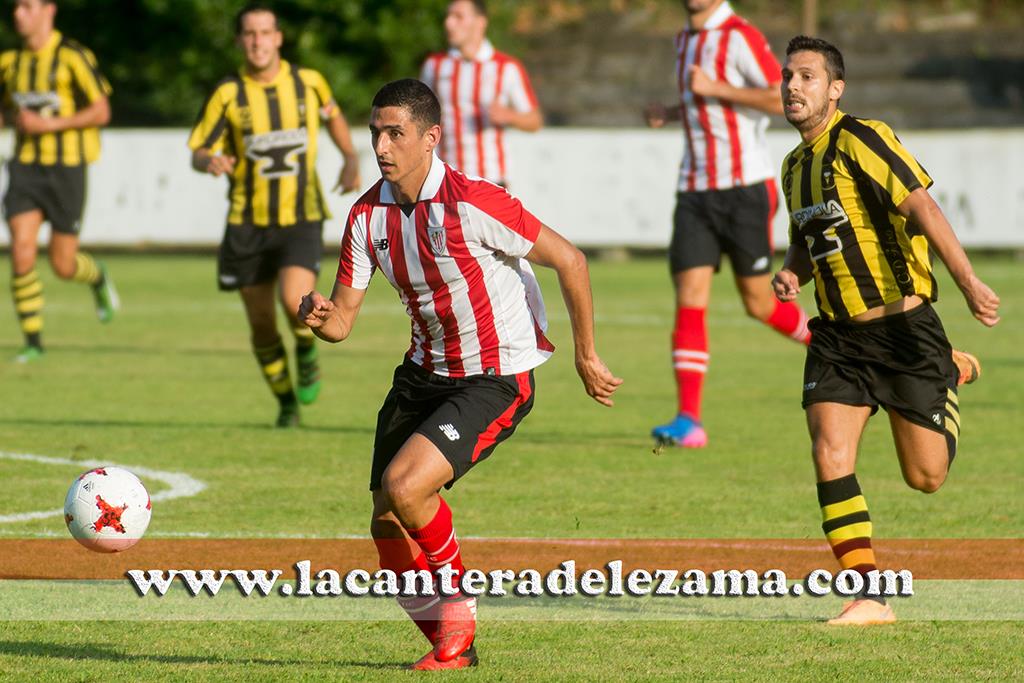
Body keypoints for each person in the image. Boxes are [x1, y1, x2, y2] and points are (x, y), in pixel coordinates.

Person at [299, 79, 621, 670]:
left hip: (493, 376)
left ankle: (458, 610)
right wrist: (318, 318)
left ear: (431, 137)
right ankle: (450, 644)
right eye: (376, 132)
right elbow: (342, 322)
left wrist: (585, 355)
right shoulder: (365, 216)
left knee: (406, 486)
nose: (382, 146)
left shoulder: (473, 201)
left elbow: (570, 260)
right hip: (422, 374)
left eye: (395, 133)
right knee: (386, 521)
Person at [773, 36, 1000, 625]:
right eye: (787, 77)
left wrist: (969, 281)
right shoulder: (794, 166)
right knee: (829, 451)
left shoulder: (863, 138)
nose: (793, 87)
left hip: (904, 331)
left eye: (807, 77)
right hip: (837, 338)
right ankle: (868, 595)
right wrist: (792, 273)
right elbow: (812, 237)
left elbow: (921, 206)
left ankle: (948, 366)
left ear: (835, 88)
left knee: (925, 477)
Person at [645, 0, 813, 448]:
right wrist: (672, 111)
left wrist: (718, 87)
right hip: (695, 189)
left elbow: (784, 98)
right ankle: (689, 420)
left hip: (743, 188)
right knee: (690, 296)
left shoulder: (739, 35)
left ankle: (826, 345)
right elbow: (703, 104)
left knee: (759, 303)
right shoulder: (685, 39)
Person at [188, 3, 360, 427]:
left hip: (300, 216)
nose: (257, 41)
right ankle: (286, 404)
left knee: (292, 300)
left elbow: (334, 117)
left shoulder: (309, 83)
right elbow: (197, 149)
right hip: (246, 222)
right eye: (249, 33)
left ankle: (305, 349)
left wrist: (351, 156)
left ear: (279, 37)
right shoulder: (228, 94)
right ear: (239, 41)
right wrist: (208, 161)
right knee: (262, 324)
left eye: (265, 32)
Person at [0, 0, 118, 363]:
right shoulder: (9, 63)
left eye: (28, 6)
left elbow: (102, 111)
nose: (19, 13)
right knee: (21, 250)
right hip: (25, 169)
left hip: (68, 170)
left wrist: (48, 125)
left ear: (49, 10)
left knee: (63, 265)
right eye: (16, 7)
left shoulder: (72, 56)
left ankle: (97, 278)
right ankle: (33, 342)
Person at [420, 0, 542, 186]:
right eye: (448, 16)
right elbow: (419, 116)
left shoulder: (506, 67)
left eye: (458, 17)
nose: (449, 23)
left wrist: (509, 116)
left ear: (480, 22)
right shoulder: (434, 65)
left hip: (491, 182)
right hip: (445, 181)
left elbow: (534, 120)